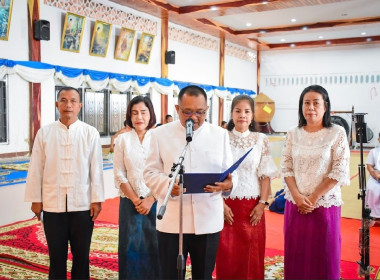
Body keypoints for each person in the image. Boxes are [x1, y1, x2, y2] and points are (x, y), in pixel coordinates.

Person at [143, 85, 236, 279]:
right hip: (172, 221)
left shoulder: (220, 135)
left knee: (203, 275)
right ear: (177, 109)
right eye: (187, 112)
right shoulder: (160, 134)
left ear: (207, 110)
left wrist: (230, 184)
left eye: (200, 112)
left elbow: (231, 172)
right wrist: (168, 186)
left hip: (208, 218)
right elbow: (150, 172)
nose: (194, 117)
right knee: (170, 274)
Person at [24, 87, 105, 279]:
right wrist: (36, 199)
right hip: (53, 205)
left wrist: (96, 200)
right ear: (56, 104)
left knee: (81, 256)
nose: (68, 105)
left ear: (80, 105)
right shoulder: (45, 133)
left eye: (73, 101)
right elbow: (36, 168)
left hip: (83, 205)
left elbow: (96, 170)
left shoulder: (90, 133)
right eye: (63, 100)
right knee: (56, 257)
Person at [280, 85, 350, 279]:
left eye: (316, 103)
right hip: (295, 204)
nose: (311, 107)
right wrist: (296, 195)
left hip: (324, 206)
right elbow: (286, 166)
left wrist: (313, 197)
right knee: (296, 254)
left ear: (325, 107)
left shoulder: (337, 133)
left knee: (324, 256)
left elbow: (339, 169)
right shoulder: (293, 133)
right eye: (306, 103)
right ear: (301, 107)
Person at [216, 95, 278, 279]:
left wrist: (262, 203)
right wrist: (220, 204)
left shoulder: (261, 139)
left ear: (252, 115)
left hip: (252, 207)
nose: (242, 115)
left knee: (252, 254)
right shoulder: (221, 138)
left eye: (246, 111)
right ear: (232, 113)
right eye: (238, 111)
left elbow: (265, 175)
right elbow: (214, 173)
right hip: (226, 206)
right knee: (226, 254)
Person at [113, 95, 161, 279]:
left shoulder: (159, 138)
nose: (138, 117)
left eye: (143, 112)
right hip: (129, 202)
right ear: (129, 116)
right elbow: (119, 173)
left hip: (156, 202)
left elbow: (166, 173)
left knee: (155, 244)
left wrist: (151, 198)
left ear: (150, 115)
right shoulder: (122, 140)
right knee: (129, 245)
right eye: (134, 113)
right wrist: (135, 199)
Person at [366, 133, 380, 225]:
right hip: (376, 176)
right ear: (379, 139)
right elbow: (369, 165)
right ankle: (374, 216)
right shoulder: (374, 151)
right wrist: (374, 173)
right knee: (371, 189)